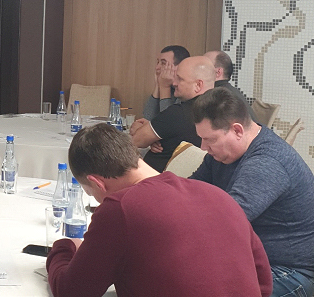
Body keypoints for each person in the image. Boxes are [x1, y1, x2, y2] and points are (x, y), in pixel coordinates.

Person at [46, 123, 272, 297]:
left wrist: (64, 247)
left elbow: (71, 291)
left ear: (98, 183)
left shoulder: (120, 208)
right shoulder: (219, 196)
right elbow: (263, 282)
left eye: (91, 193)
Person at [191, 87, 314, 297]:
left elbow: (223, 222)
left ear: (237, 130)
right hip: (251, 261)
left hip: (290, 272)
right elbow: (191, 191)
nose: (203, 147)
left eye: (210, 139)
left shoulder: (267, 162)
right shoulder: (220, 155)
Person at [130, 55, 214, 171]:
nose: (174, 83)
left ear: (198, 85)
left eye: (180, 79)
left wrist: (140, 130)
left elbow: (136, 140)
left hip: (158, 177)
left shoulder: (178, 113)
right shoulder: (219, 110)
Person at [142, 45, 190, 120]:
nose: (157, 67)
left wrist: (165, 87)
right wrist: (158, 86)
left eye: (163, 63)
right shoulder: (171, 88)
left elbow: (169, 121)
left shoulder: (186, 92)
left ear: (180, 66)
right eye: (158, 62)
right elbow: (148, 118)